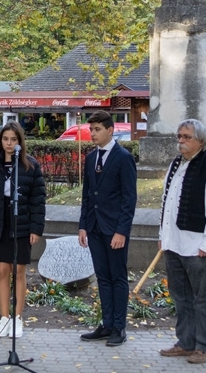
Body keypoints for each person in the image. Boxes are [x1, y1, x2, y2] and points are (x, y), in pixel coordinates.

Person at [158, 119, 206, 364]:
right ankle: (186, 342)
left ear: (201, 139)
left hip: (199, 245)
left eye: (186, 137)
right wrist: (163, 237)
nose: (181, 141)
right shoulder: (176, 164)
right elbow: (166, 203)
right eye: (179, 136)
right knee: (181, 297)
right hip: (174, 244)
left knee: (202, 299)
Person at [0, 121, 46, 338]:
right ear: (0, 141)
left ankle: (17, 318)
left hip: (21, 221)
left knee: (19, 270)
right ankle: (4, 318)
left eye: (13, 140)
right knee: (2, 270)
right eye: (5, 139)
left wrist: (36, 228)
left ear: (20, 142)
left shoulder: (30, 166)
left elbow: (38, 200)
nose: (9, 143)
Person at [78, 110, 137, 347]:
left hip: (114, 230)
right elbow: (87, 196)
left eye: (97, 129)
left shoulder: (123, 158)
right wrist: (83, 226)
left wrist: (121, 231)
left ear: (110, 130)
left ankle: (119, 327)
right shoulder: (91, 158)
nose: (92, 133)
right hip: (94, 228)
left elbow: (129, 198)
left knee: (117, 277)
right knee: (102, 278)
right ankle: (107, 323)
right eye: (91, 129)